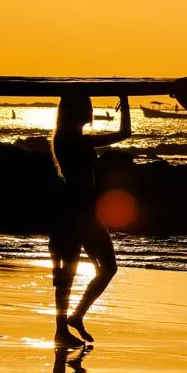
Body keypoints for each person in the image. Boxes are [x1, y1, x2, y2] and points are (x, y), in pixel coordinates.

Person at [49, 93, 131, 347]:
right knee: (68, 270)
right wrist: (124, 101)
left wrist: (125, 102)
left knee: (108, 268)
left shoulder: (76, 140)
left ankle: (75, 317)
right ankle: (62, 329)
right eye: (84, 106)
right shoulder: (68, 140)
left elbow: (124, 134)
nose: (89, 111)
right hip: (73, 212)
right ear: (73, 111)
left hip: (86, 212)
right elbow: (121, 135)